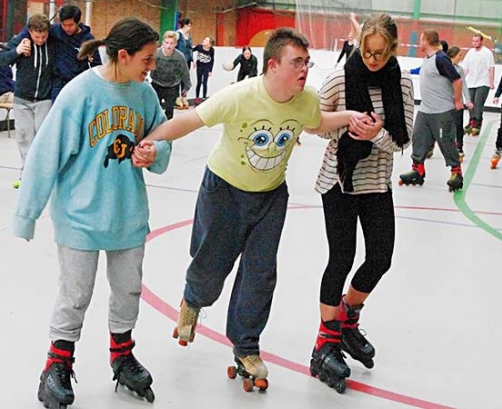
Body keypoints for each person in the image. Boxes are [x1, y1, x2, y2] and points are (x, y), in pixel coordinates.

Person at [132, 27, 361, 391]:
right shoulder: (240, 96)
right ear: (272, 65)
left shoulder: (306, 99)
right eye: (296, 62)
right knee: (212, 264)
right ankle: (193, 299)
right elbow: (187, 121)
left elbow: (317, 125)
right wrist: (148, 142)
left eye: (307, 62)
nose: (304, 69)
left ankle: (246, 346)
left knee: (261, 273)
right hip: (224, 190)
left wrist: (349, 116)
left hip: (270, 196)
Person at [12, 17, 171, 408]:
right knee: (75, 294)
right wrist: (26, 215)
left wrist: (155, 152)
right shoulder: (80, 93)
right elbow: (44, 156)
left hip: (127, 214)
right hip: (80, 216)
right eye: (146, 59)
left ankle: (122, 355)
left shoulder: (145, 95)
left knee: (128, 292)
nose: (150, 67)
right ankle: (57, 364)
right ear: (123, 55)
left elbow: (162, 141)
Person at [312, 12, 414, 393]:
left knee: (381, 257)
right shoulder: (340, 76)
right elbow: (315, 123)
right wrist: (348, 124)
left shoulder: (400, 82)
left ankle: (347, 318)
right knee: (340, 257)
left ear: (392, 49)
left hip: (376, 184)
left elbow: (402, 140)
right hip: (339, 181)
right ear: (359, 46)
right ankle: (324, 342)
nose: (372, 61)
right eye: (367, 53)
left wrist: (377, 135)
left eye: (380, 54)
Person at [398, 29, 464, 192]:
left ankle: (456, 172)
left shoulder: (441, 59)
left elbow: (456, 79)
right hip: (425, 110)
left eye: (421, 40)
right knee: (418, 138)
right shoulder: (428, 59)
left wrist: (457, 100)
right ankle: (417, 170)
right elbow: (423, 72)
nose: (419, 43)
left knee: (446, 141)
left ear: (426, 40)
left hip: (442, 111)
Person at [0, 14, 55, 188]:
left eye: (44, 36)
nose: (41, 40)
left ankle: (44, 176)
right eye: (37, 37)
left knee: (42, 139)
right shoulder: (21, 40)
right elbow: (0, 60)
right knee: (24, 138)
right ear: (30, 32)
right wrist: (17, 51)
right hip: (22, 99)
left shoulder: (53, 42)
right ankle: (27, 174)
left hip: (44, 99)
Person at [49, 4, 101, 101]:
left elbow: (97, 65)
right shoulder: (56, 31)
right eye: (64, 25)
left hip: (79, 83)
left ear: (77, 22)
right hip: (58, 83)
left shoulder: (88, 39)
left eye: (70, 25)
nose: (67, 28)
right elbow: (34, 26)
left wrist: (91, 58)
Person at [150, 31, 191, 120]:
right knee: (156, 108)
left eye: (172, 43)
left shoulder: (180, 56)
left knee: (169, 109)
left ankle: (167, 128)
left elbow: (185, 71)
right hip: (157, 84)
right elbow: (146, 66)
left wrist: (187, 86)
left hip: (172, 86)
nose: (169, 46)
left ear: (175, 44)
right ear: (163, 43)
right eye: (167, 43)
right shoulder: (156, 54)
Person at [461, 33, 495, 136]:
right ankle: (471, 122)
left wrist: (491, 82)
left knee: (478, 103)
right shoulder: (470, 53)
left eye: (477, 41)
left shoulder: (487, 53)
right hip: (471, 82)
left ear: (481, 41)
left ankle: (477, 123)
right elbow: (465, 68)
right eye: (473, 41)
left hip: (483, 82)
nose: (475, 43)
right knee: (470, 102)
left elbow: (491, 68)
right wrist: (461, 79)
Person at [446, 46, 473, 162]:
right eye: (459, 55)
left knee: (458, 125)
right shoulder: (444, 68)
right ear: (453, 55)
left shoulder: (459, 69)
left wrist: (468, 100)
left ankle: (459, 147)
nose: (461, 57)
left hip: (457, 102)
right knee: (443, 125)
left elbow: (464, 86)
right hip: (446, 102)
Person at [175, 18, 193, 109]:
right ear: (185, 25)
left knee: (185, 79)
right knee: (178, 78)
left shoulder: (188, 36)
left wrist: (193, 60)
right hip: (179, 61)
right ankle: (177, 97)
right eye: (189, 25)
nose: (190, 27)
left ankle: (184, 96)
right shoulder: (178, 34)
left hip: (187, 60)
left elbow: (190, 49)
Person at [192, 36, 215, 105]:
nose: (204, 41)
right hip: (199, 66)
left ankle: (204, 98)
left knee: (204, 83)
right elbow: (191, 50)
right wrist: (193, 61)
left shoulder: (211, 50)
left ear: (209, 44)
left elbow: (212, 60)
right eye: (204, 39)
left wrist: (210, 70)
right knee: (199, 82)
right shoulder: (199, 47)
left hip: (206, 67)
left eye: (206, 40)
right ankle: (197, 98)